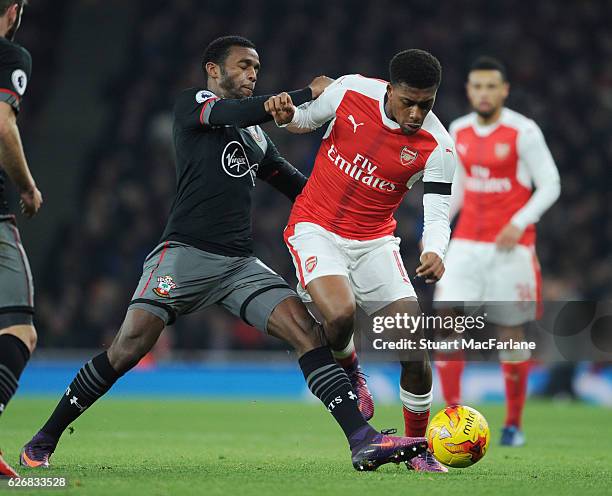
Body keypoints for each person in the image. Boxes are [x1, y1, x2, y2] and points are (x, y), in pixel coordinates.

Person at [20, 36, 428, 472]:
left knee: (307, 333)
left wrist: (357, 195)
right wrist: (309, 93)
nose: (254, 74)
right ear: (214, 70)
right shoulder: (195, 103)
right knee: (128, 348)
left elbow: (296, 185)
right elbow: (232, 112)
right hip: (183, 254)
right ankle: (41, 441)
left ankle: (361, 441)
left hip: (238, 264)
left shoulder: (253, 133)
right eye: (244, 65)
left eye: (257, 67)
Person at [266, 49, 455, 472]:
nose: (416, 113)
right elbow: (304, 119)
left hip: (374, 242)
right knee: (339, 314)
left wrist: (434, 251)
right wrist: (286, 115)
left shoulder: (439, 146)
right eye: (408, 101)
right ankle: (350, 368)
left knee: (415, 353)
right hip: (315, 227)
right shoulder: (351, 90)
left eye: (426, 104)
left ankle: (418, 449)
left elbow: (438, 215)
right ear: (390, 90)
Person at [433, 56, 561, 446]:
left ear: (504, 90)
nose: (484, 93)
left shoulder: (524, 131)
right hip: (467, 244)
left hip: (511, 250)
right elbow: (459, 188)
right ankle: (453, 415)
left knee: (510, 332)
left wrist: (520, 222)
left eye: (492, 87)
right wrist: (436, 233)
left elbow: (551, 183)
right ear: (469, 91)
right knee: (448, 326)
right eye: (477, 87)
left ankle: (513, 425)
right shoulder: (459, 129)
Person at [0, 0, 42, 479]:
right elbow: (3, 123)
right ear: (14, 10)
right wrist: (28, 187)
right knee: (17, 329)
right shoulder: (9, 57)